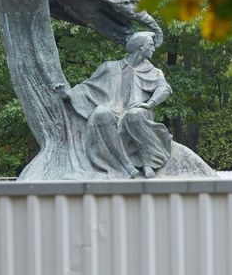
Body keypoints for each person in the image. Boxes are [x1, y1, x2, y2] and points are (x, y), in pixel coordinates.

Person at [59, 30, 174, 179]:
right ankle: (126, 166)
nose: (153, 49)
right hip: (114, 110)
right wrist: (67, 94)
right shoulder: (109, 67)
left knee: (134, 114)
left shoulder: (154, 72)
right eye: (150, 45)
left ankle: (148, 162)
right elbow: (87, 87)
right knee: (100, 113)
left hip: (138, 110)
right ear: (140, 47)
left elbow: (164, 89)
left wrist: (150, 104)